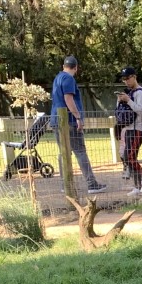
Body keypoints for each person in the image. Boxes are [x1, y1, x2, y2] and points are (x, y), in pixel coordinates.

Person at [49, 55, 106, 193]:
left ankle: (66, 185)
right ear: (76, 68)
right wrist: (78, 117)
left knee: (64, 152)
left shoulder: (58, 78)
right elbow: (68, 99)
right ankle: (92, 184)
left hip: (56, 119)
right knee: (80, 151)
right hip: (69, 120)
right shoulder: (69, 79)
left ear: (63, 66)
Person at [116, 66, 142, 193]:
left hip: (138, 129)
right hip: (128, 129)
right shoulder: (128, 92)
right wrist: (120, 101)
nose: (126, 81)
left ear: (134, 77)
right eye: (124, 79)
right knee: (130, 158)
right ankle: (137, 186)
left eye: (128, 78)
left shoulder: (140, 93)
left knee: (129, 157)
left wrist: (128, 101)